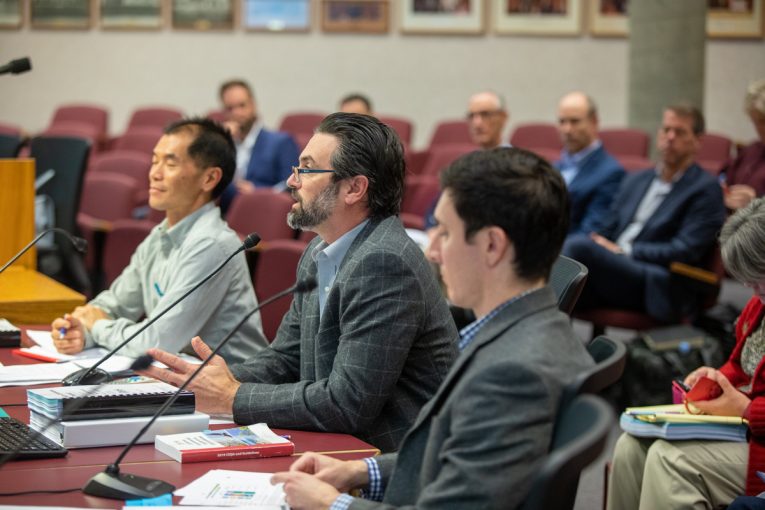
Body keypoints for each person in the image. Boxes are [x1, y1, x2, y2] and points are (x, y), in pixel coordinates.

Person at [270, 147, 594, 510]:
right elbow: (457, 459)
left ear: (492, 245)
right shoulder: (528, 332)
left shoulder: (513, 373)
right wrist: (361, 471)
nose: (433, 251)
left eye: (445, 232)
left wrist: (333, 505)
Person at [141, 113, 458, 453]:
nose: (292, 181)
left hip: (394, 461)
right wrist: (203, 381)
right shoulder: (319, 251)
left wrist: (233, 396)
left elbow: (348, 403)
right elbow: (286, 359)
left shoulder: (384, 262)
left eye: (306, 170)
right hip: (339, 447)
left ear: (354, 188)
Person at [51, 118, 266, 364]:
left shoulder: (212, 244)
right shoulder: (159, 235)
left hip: (233, 381)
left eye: (170, 164)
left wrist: (96, 327)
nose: (155, 173)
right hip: (182, 375)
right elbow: (115, 305)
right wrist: (81, 329)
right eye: (155, 161)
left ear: (209, 178)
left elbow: (156, 343)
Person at [607, 196, 765, 509]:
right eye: (745, 277)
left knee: (671, 461)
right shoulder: (758, 304)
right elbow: (740, 365)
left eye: (757, 276)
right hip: (744, 428)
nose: (750, 286)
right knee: (631, 445)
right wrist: (717, 378)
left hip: (757, 437)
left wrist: (747, 409)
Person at [564, 105, 726, 323]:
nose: (670, 137)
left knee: (577, 249)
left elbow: (684, 250)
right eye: (666, 130)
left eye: (679, 132)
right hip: (613, 270)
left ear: (697, 141)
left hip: (656, 279)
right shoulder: (636, 179)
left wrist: (624, 251)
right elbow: (608, 225)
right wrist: (598, 241)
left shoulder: (705, 189)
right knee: (566, 262)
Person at [217, 79, 299, 212]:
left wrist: (257, 191)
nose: (237, 113)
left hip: (265, 211)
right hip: (227, 212)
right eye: (230, 108)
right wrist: (220, 140)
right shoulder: (224, 143)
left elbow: (292, 185)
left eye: (242, 105)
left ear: (253, 105)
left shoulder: (281, 142)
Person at [555, 91, 624, 235]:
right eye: (562, 122)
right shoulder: (554, 166)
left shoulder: (611, 173)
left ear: (594, 122)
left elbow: (591, 233)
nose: (567, 129)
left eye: (575, 121)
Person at [721, 78, 765, 210]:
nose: (759, 128)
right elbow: (724, 177)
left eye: (763, 120)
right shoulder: (751, 151)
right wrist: (723, 189)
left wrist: (756, 203)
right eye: (755, 121)